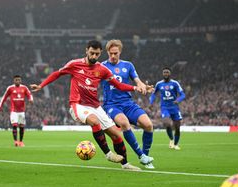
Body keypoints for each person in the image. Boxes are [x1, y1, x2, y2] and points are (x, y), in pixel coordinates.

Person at [30, 40, 145, 170]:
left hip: (95, 106)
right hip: (78, 104)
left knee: (117, 135)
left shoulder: (103, 70)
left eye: (97, 54)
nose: (94, 56)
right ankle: (108, 154)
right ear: (86, 51)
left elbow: (118, 85)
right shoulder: (75, 64)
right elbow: (57, 73)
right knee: (94, 121)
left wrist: (135, 88)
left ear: (100, 53)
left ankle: (125, 164)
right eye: (92, 53)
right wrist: (41, 85)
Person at [101, 39, 155, 169]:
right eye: (111, 53)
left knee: (148, 125)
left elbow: (138, 81)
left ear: (120, 52)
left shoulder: (128, 65)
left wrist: (143, 87)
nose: (113, 56)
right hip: (111, 105)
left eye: (116, 53)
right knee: (124, 123)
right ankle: (141, 155)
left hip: (128, 103)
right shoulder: (102, 66)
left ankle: (145, 158)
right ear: (107, 52)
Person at [149, 67, 186, 150]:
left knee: (177, 127)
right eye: (164, 72)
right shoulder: (159, 84)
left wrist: (178, 100)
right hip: (164, 107)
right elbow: (153, 94)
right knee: (167, 123)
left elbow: (183, 94)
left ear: (170, 73)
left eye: (167, 72)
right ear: (162, 74)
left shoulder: (175, 83)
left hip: (175, 108)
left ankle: (176, 144)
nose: (166, 74)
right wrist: (151, 103)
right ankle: (171, 140)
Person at [0, 75, 34, 147]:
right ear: (14, 81)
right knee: (14, 125)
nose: (17, 81)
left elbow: (29, 94)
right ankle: (15, 141)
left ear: (20, 80)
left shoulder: (24, 88)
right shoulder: (10, 88)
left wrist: (31, 99)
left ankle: (21, 142)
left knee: (21, 126)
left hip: (21, 111)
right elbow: (4, 97)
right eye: (16, 80)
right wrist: (0, 106)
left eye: (19, 80)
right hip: (13, 111)